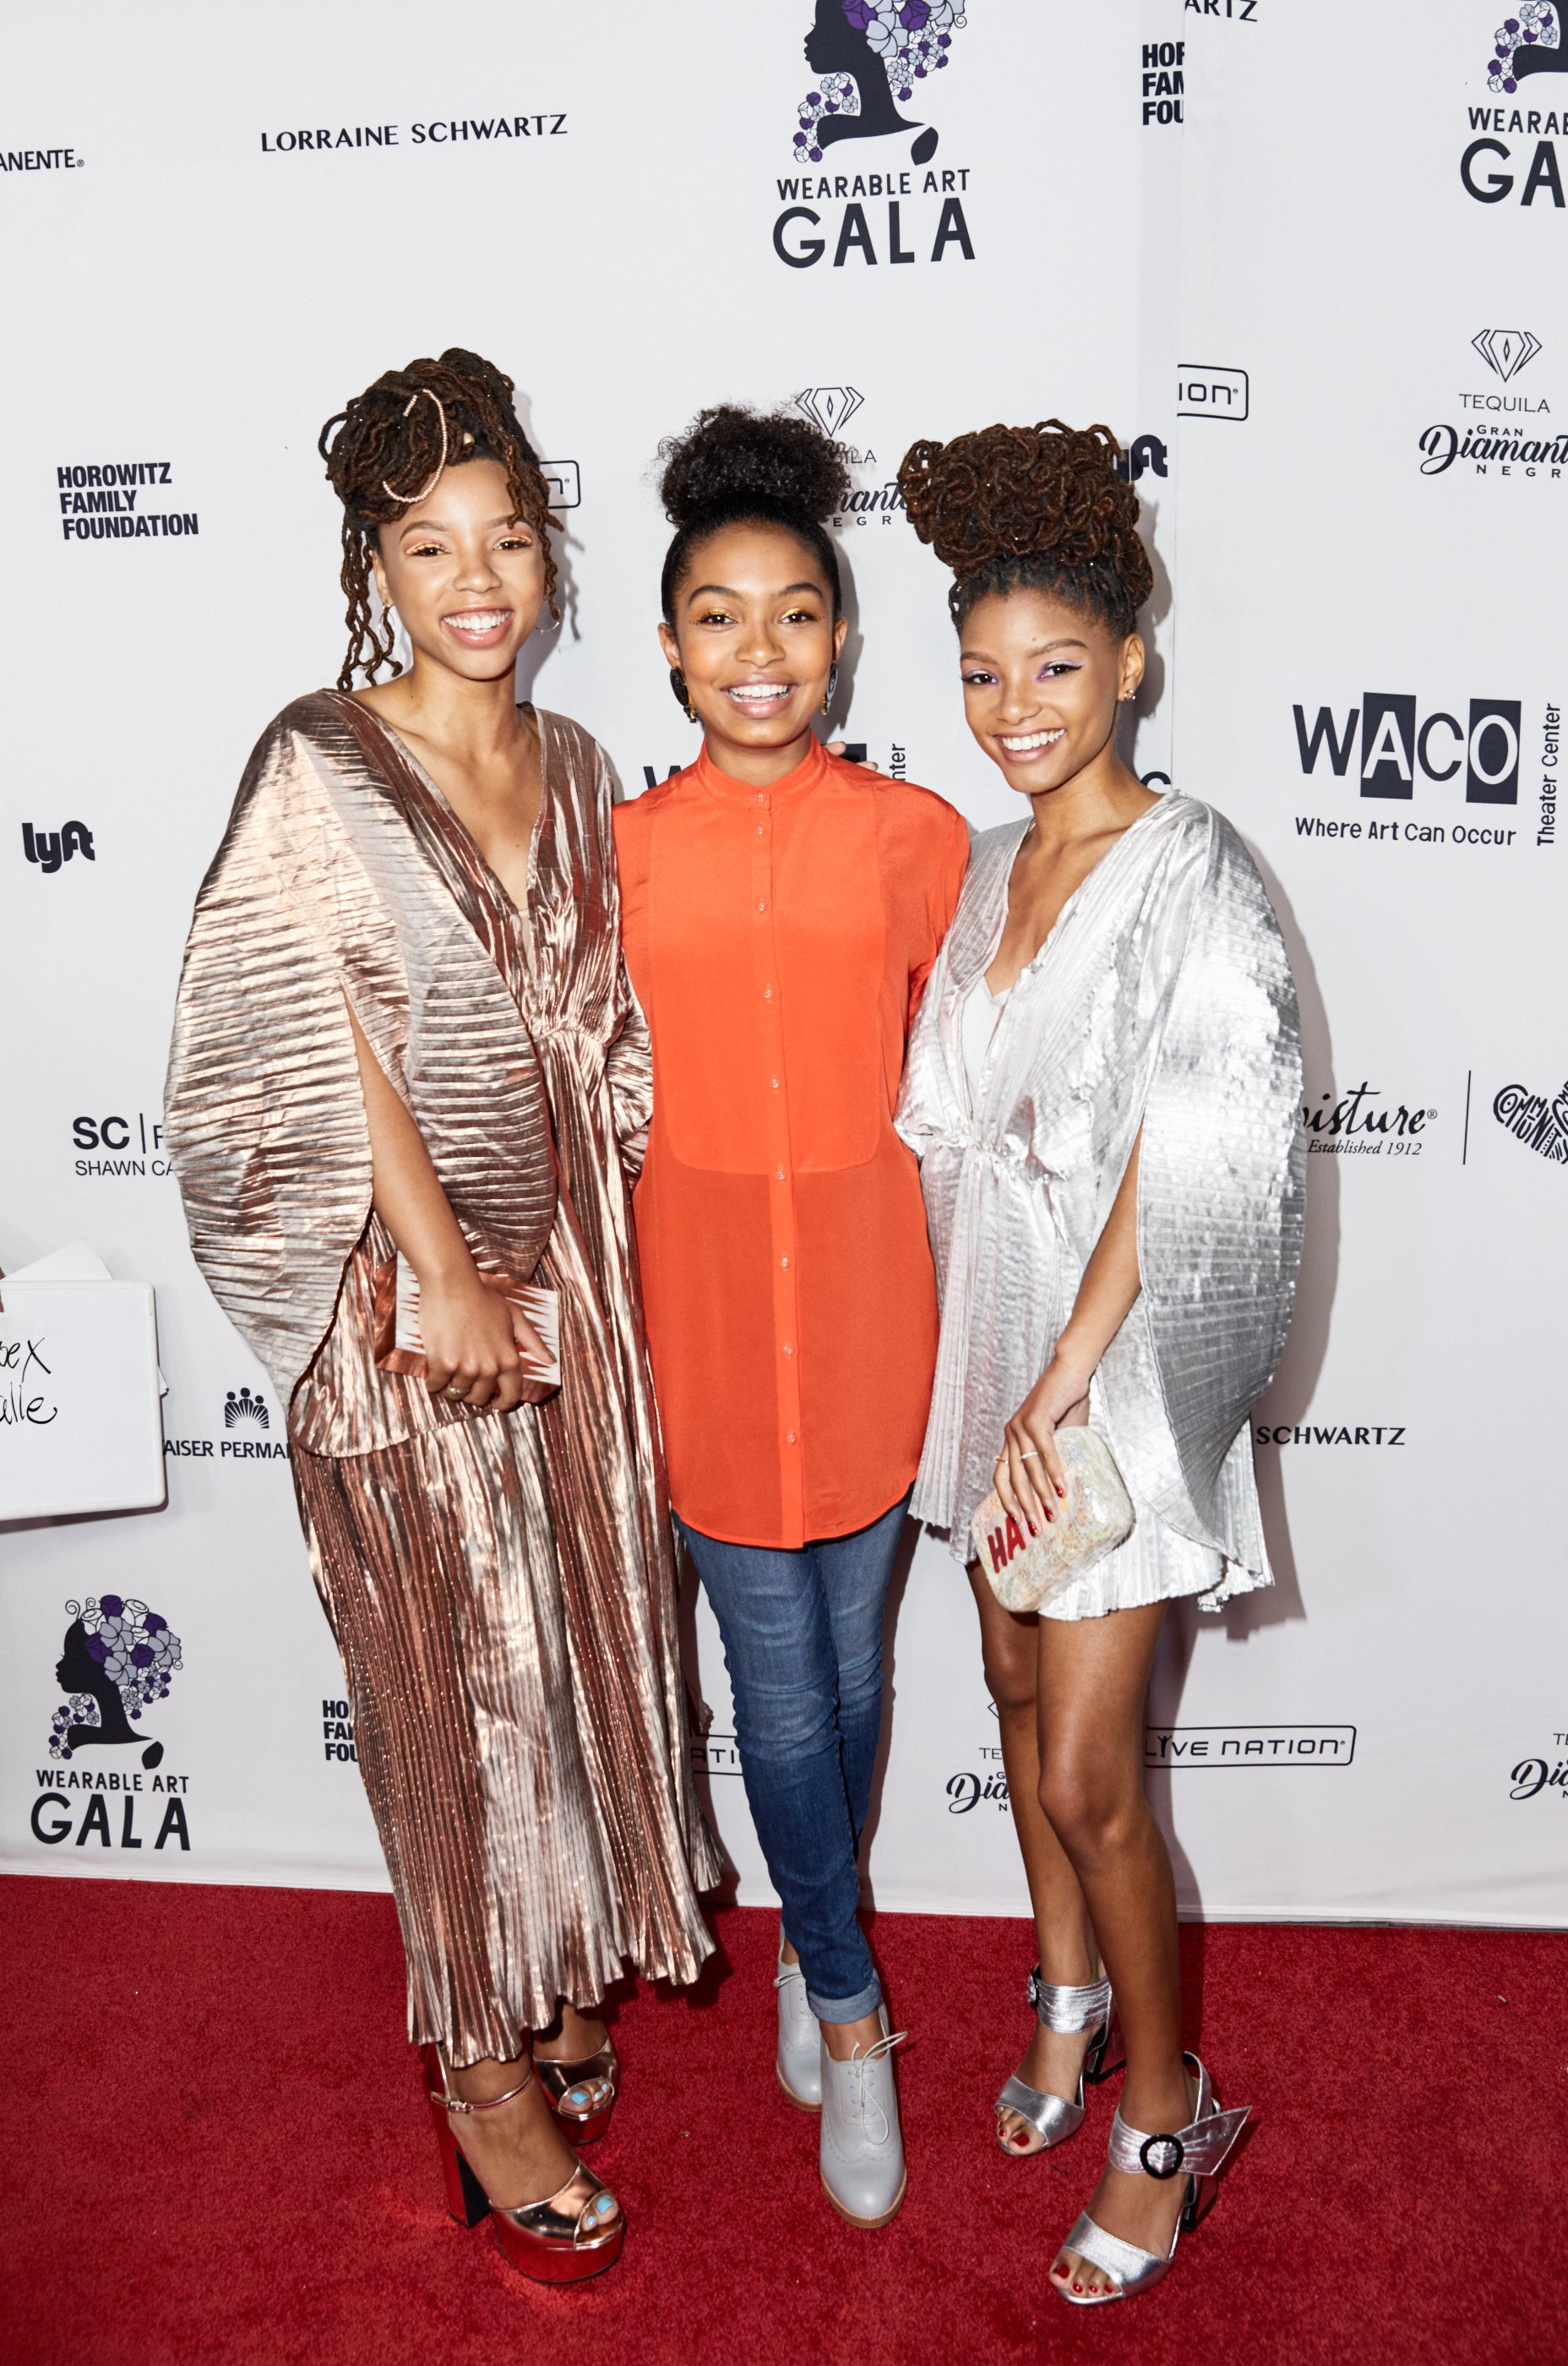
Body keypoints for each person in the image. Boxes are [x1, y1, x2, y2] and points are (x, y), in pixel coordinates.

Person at [165, 349, 720, 2286]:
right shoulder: (318, 756)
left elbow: (602, 1034)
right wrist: (446, 1269)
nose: (476, 581)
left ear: (549, 550)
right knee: (445, 1677)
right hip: (403, 1308)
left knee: (559, 1643)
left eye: (506, 539)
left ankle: (550, 1961)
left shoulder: (575, 762)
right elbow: (310, 1033)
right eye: (429, 546)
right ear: (373, 568)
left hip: (575, 1280)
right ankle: (480, 2067)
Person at [894, 419, 1304, 2303]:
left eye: (1055, 668)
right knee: (1004, 1680)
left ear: (1132, 663)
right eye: (982, 675)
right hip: (991, 1338)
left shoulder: (1193, 862)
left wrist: (1067, 1371)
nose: (1016, 710)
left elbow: (1194, 1131)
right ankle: (1063, 1988)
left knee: (1086, 1773)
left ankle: (1165, 2109)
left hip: (1112, 1366)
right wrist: (981, 1373)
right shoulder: (987, 867)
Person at [612, 406, 970, 2227]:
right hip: (697, 1331)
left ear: (841, 637)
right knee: (773, 1689)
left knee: (849, 1679)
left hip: (870, 1320)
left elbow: (973, 1094)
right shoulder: (609, 853)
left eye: (796, 614)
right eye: (719, 616)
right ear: (670, 647)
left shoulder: (921, 838)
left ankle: (809, 1933)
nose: (760, 650)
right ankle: (846, 2006)